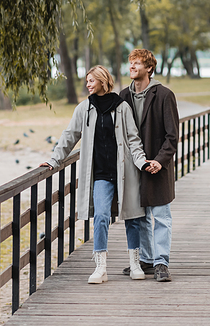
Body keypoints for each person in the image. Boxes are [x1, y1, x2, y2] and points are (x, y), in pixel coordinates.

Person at [40, 65, 160, 284]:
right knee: (102, 216)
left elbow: (134, 139)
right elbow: (69, 136)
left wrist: (142, 162)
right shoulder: (83, 108)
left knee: (133, 217)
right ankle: (101, 267)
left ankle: (135, 264)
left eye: (91, 81)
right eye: (86, 81)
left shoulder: (122, 107)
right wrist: (54, 160)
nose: (88, 85)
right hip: (101, 174)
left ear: (103, 81)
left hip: (126, 173)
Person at [121, 49, 179, 283]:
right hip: (133, 167)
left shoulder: (164, 95)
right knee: (139, 216)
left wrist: (159, 161)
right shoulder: (123, 96)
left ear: (149, 68)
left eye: (137, 63)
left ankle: (161, 262)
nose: (132, 66)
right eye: (131, 63)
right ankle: (145, 260)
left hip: (158, 166)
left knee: (161, 216)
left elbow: (172, 136)